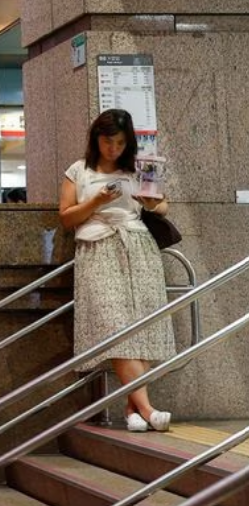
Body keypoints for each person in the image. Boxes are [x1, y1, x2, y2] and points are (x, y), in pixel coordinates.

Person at [59, 108, 176, 433]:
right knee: (116, 329)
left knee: (143, 326)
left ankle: (132, 410)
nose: (113, 148)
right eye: (108, 141)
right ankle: (149, 410)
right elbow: (66, 217)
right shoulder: (78, 170)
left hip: (138, 248)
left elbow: (162, 205)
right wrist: (96, 201)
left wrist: (151, 202)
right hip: (98, 249)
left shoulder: (138, 169)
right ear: (96, 138)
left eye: (120, 142)